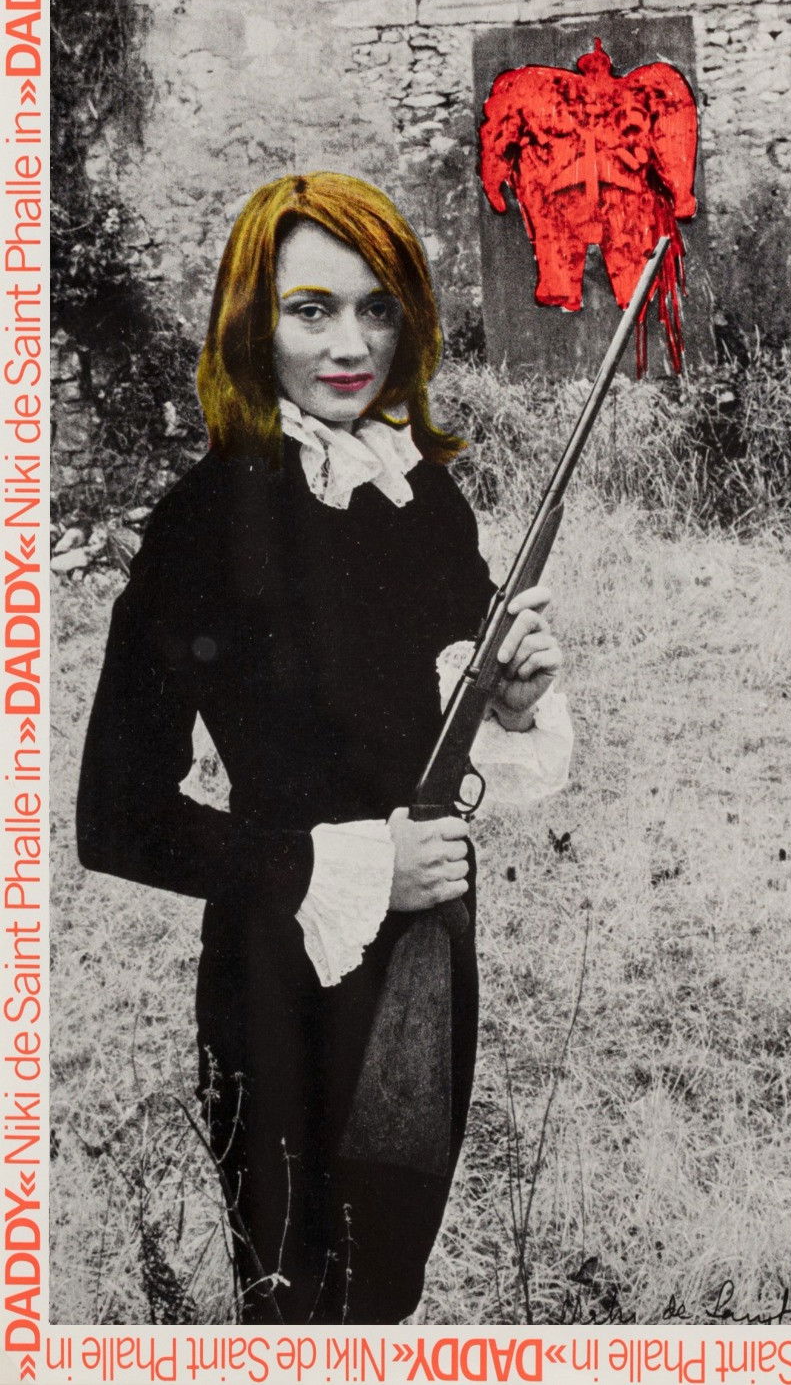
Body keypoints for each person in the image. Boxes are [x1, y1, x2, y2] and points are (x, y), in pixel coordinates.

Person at [77, 172, 570, 1325]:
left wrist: (509, 696)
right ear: (254, 322)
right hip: (277, 972)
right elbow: (116, 816)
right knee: (295, 1301)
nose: (351, 345)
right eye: (312, 310)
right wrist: (335, 867)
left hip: (431, 954)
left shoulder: (424, 498)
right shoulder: (203, 523)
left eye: (377, 308)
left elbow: (443, 723)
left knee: (385, 1288)